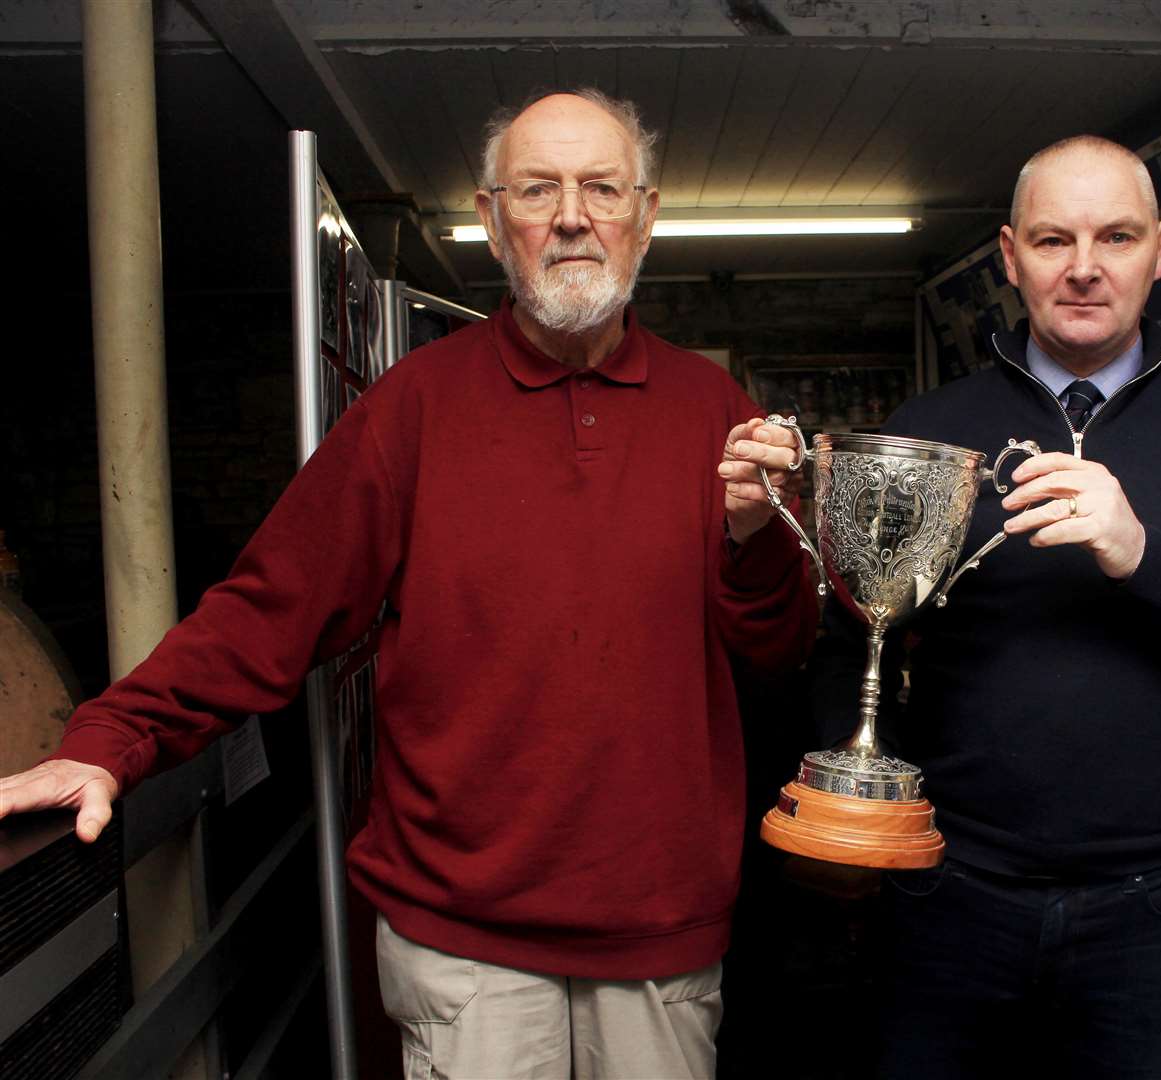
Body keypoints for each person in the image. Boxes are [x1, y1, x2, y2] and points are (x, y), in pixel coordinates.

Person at [0, 88, 818, 1079]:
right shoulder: (414, 409)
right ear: (489, 217)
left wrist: (754, 538)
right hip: (463, 944)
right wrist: (112, 742)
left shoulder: (712, 408)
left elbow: (776, 652)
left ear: (644, 215)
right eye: (537, 189)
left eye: (602, 188)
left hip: (657, 935)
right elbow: (270, 611)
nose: (571, 215)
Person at [812, 136, 1161, 1079]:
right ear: (1010, 256)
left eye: (1116, 237)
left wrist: (1144, 554)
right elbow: (849, 642)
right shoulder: (930, 433)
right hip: (948, 895)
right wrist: (863, 829)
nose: (1085, 268)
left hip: (1150, 913)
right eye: (1054, 240)